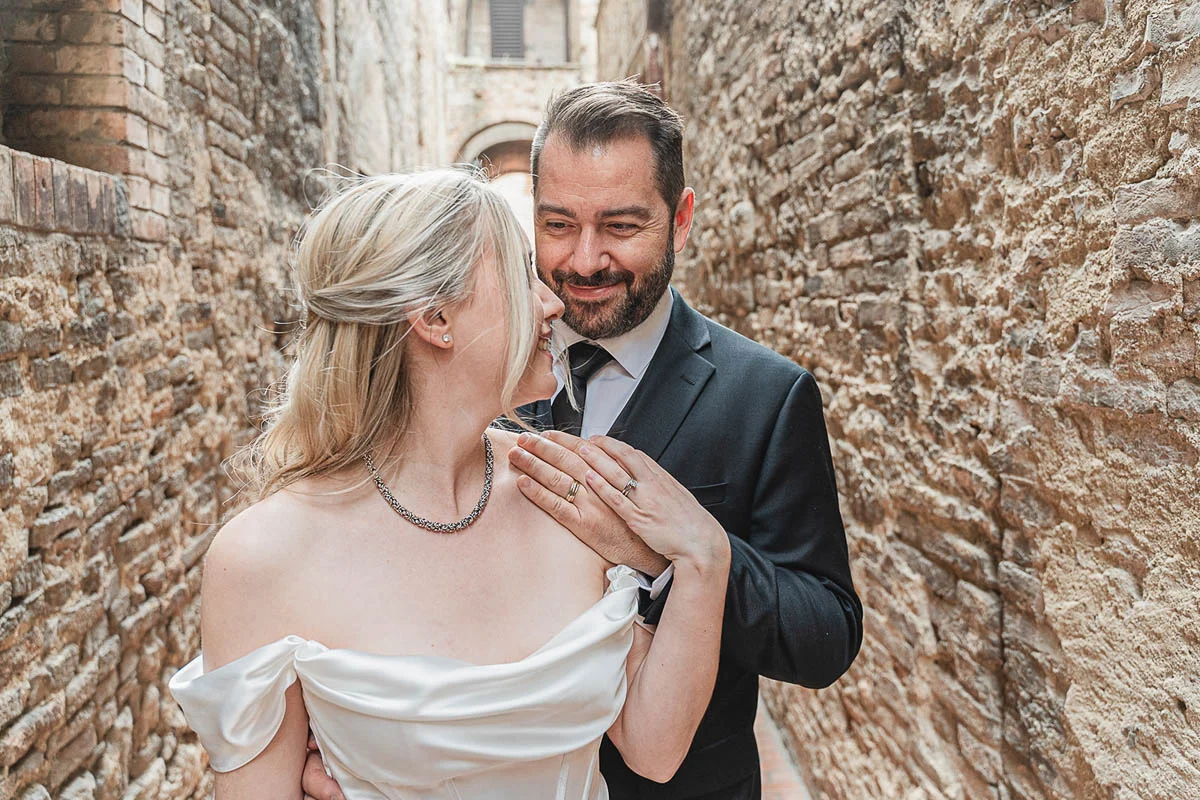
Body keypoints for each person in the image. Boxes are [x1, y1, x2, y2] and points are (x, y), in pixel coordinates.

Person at [168, 168, 732, 799]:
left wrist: (704, 557)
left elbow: (654, 749)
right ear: (436, 318)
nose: (551, 302)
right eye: (521, 274)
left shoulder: (561, 488)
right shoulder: (263, 558)